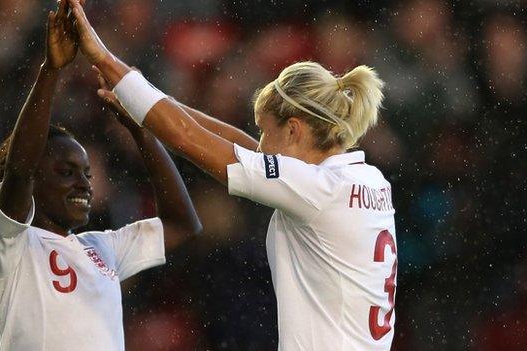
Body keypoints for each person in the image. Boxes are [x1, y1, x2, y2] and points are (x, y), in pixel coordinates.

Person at [67, 0, 397, 350]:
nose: (261, 143)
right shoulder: (367, 181)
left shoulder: (317, 189)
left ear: (294, 130)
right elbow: (244, 150)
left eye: (265, 131)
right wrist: (142, 94)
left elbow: (187, 138)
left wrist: (102, 57)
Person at [0, 1, 201, 350]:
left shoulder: (100, 248)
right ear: (34, 182)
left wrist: (141, 133)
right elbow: (18, 170)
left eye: (87, 174)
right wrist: (51, 71)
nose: (84, 183)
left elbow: (182, 224)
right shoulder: (8, 245)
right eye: (65, 172)